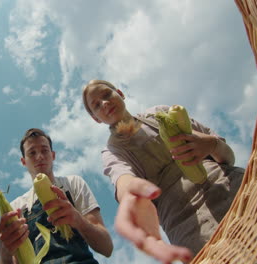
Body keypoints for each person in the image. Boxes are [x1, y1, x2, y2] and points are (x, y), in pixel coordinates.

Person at [82, 80, 245, 264]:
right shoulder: (112, 151)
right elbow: (122, 178)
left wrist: (211, 144)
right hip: (188, 225)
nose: (104, 103)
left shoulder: (160, 113)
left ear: (120, 93)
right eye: (96, 105)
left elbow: (228, 157)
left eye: (106, 95)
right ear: (96, 118)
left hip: (232, 188)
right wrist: (130, 194)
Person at [0, 128, 113, 263]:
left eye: (44, 150)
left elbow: (106, 247)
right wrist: (4, 252)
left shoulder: (73, 184)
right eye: (32, 153)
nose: (39, 156)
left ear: (53, 155)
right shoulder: (17, 206)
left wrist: (78, 220)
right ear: (24, 161)